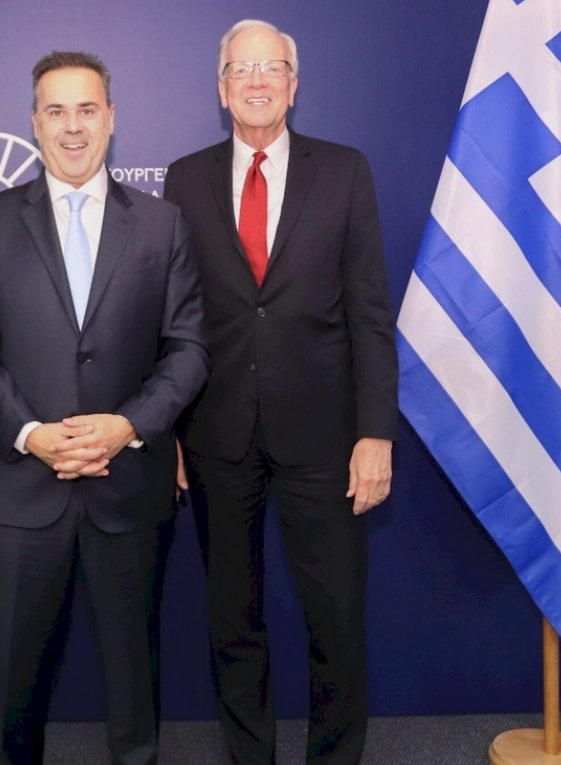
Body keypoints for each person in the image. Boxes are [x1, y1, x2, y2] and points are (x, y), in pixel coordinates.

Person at [0, 50, 208, 765]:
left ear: (111, 118)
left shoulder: (162, 224)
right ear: (34, 123)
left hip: (129, 489)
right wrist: (30, 433)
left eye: (87, 109)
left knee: (134, 687)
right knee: (17, 687)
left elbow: (189, 348)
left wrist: (129, 425)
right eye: (56, 111)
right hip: (24, 492)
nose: (72, 127)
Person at [163, 19, 398, 765]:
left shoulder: (345, 170)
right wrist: (168, 430)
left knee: (336, 618)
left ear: (294, 86)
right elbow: (173, 318)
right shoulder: (185, 178)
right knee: (233, 620)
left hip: (325, 438)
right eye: (242, 68)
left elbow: (370, 312)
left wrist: (376, 431)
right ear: (221, 88)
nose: (257, 80)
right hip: (216, 435)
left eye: (272, 67)